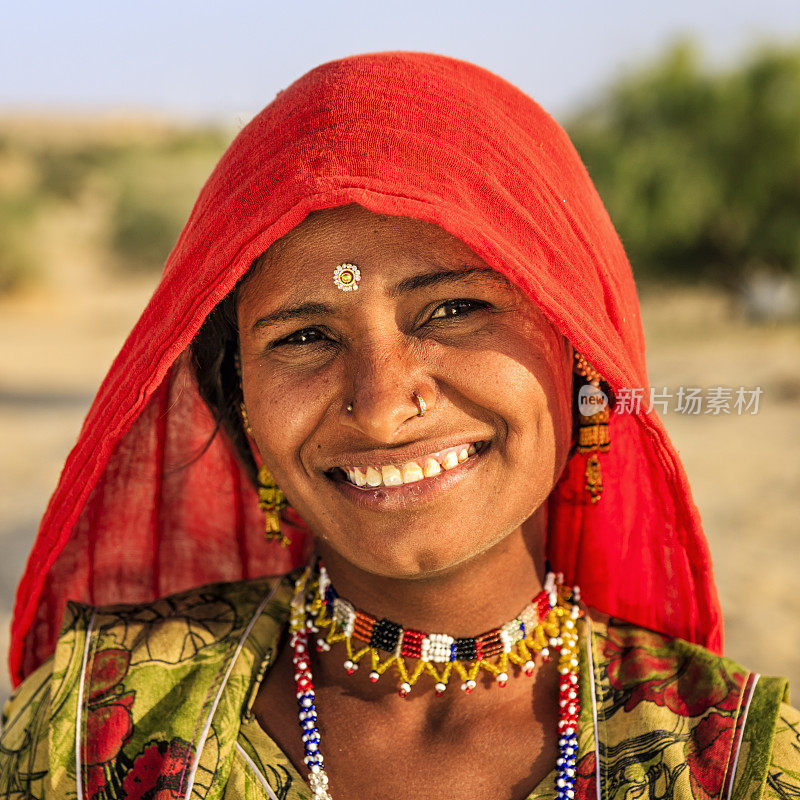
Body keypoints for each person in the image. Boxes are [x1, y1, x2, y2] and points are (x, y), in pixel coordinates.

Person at [1, 52, 797, 800]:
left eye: (454, 309)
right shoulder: (91, 727)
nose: (382, 405)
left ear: (580, 351)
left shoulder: (739, 763)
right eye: (305, 336)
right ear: (239, 397)